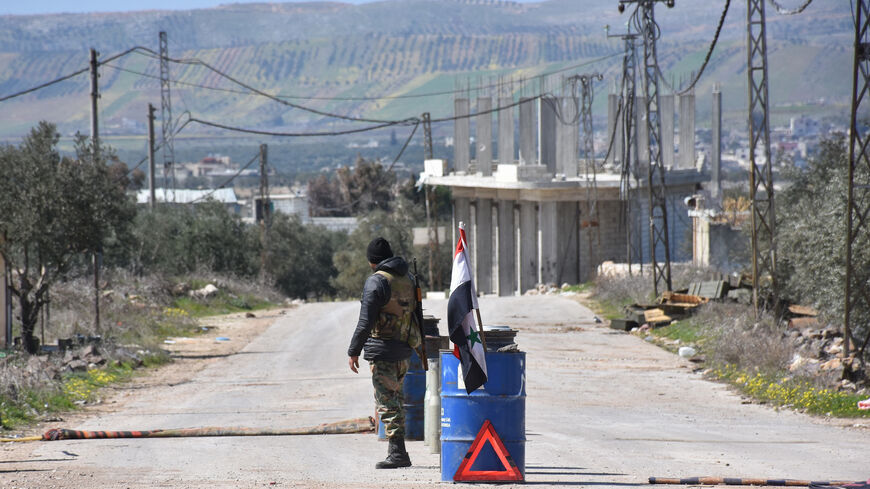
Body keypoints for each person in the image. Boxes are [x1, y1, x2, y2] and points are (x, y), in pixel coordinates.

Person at [347, 237, 420, 469]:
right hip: (405, 349)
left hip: (384, 349)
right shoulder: (408, 278)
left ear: (372, 261)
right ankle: (397, 451)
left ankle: (398, 453)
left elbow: (365, 322)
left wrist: (353, 351)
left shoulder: (376, 282)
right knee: (396, 399)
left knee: (387, 402)